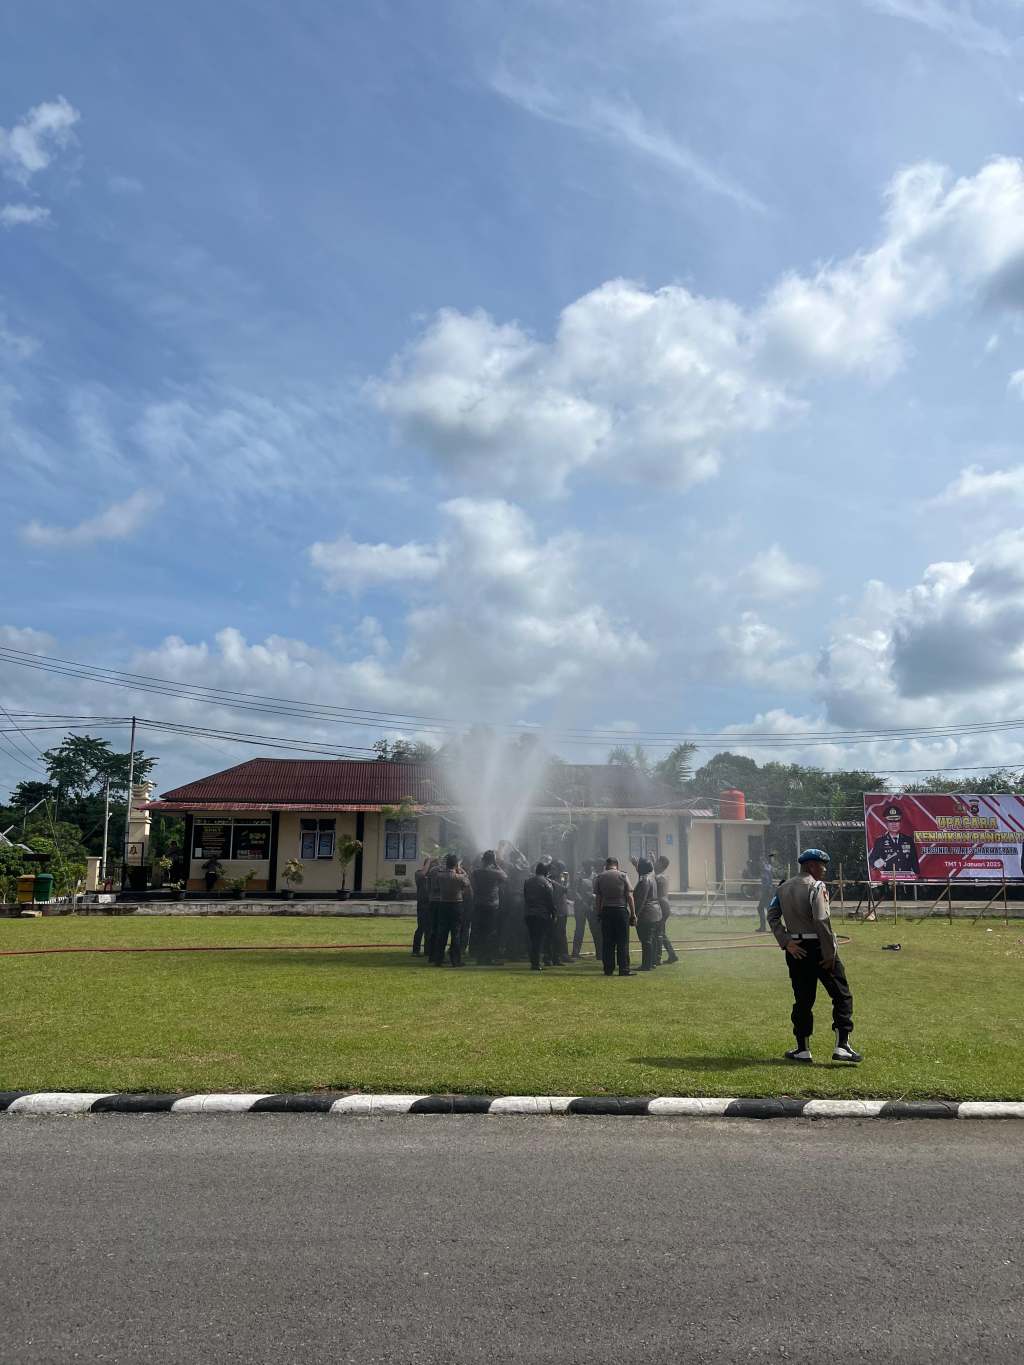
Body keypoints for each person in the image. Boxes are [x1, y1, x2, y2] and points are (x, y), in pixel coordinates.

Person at [768, 848, 861, 1064]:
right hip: (819, 947)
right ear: (810, 865)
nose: (825, 869)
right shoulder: (817, 887)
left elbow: (772, 915)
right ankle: (842, 1046)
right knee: (841, 995)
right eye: (821, 864)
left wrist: (786, 941)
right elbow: (821, 920)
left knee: (803, 998)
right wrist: (830, 952)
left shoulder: (783, 888)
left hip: (796, 948)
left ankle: (802, 1049)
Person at [593, 856, 636, 977]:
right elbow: (629, 896)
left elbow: (598, 898)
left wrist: (599, 913)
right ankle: (624, 969)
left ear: (606, 865)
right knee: (622, 941)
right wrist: (633, 913)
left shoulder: (600, 877)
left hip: (606, 911)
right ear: (617, 865)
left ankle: (608, 969)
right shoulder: (623, 876)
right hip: (621, 911)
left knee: (607, 942)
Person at [430, 853, 471, 968]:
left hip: (443, 904)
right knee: (456, 933)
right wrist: (460, 869)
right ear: (456, 864)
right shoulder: (459, 877)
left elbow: (436, 885)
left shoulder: (440, 876)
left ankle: (438, 959)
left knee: (442, 932)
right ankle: (455, 960)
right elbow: (467, 882)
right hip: (456, 905)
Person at [470, 850, 507, 965]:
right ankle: (488, 957)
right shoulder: (495, 872)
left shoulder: (476, 872)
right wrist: (496, 864)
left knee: (480, 931)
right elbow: (505, 876)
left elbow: (473, 885)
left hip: (478, 903)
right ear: (492, 860)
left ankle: (479, 957)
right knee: (490, 931)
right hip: (491, 905)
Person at [868, 802, 920, 878]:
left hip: (907, 880)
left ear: (900, 823)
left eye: (896, 821)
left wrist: (917, 877)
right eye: (891, 821)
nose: (894, 824)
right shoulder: (880, 841)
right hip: (888, 881)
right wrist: (876, 863)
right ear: (886, 823)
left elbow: (914, 862)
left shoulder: (909, 840)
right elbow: (871, 859)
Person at [522, 862, 557, 972]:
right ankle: (536, 963)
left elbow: (526, 897)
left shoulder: (527, 882)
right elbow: (550, 900)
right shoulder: (547, 882)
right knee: (539, 939)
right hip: (541, 914)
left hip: (529, 913)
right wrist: (553, 913)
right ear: (546, 872)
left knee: (532, 939)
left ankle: (534, 961)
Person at [633, 857, 661, 971]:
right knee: (651, 939)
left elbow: (641, 900)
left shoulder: (644, 880)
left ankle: (646, 964)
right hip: (655, 912)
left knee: (646, 940)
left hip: (647, 913)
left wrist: (634, 914)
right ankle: (652, 962)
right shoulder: (652, 877)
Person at [571, 864, 602, 960]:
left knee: (595, 930)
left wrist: (593, 898)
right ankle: (576, 953)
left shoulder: (596, 877)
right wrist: (582, 901)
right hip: (581, 907)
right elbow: (574, 891)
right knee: (579, 930)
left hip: (592, 907)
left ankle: (600, 953)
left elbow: (598, 891)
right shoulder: (578, 877)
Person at [546, 859, 573, 966]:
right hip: (552, 909)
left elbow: (565, 889)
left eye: (554, 868)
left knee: (561, 933)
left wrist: (564, 880)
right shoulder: (549, 879)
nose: (552, 870)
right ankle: (550, 957)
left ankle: (561, 955)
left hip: (561, 910)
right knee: (551, 934)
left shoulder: (562, 879)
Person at [654, 855, 679, 964]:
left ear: (661, 865)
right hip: (664, 906)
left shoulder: (659, 877)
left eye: (657, 862)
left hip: (662, 907)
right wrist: (654, 860)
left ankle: (658, 958)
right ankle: (672, 955)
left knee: (659, 932)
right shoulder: (663, 876)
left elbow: (650, 876)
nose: (655, 864)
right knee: (661, 932)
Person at [412, 856, 436, 957]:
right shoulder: (419, 873)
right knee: (421, 928)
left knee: (429, 929)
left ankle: (428, 950)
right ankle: (415, 950)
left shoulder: (433, 876)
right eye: (431, 865)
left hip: (432, 905)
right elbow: (422, 875)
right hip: (422, 905)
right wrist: (429, 860)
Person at [755, 855, 775, 933]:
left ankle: (766, 927)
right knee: (764, 909)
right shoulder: (769, 867)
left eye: (760, 862)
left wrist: (762, 891)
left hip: (766, 892)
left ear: (763, 862)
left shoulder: (764, 870)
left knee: (763, 909)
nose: (759, 864)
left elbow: (766, 881)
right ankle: (765, 927)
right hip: (769, 891)